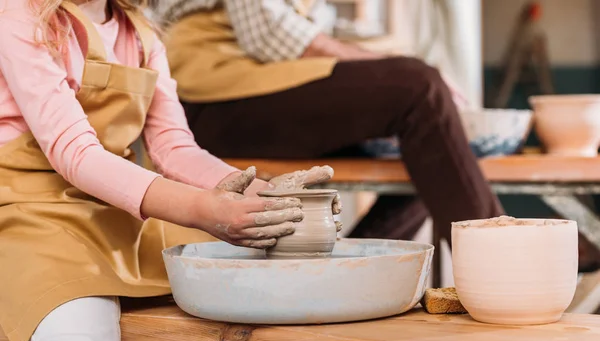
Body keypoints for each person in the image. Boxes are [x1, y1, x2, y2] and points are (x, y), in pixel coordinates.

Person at [0, 0, 339, 341]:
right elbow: (75, 154)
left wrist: (265, 194)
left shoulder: (140, 30)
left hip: (112, 214)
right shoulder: (20, 17)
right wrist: (201, 209)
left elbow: (174, 147)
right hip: (32, 219)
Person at [150, 0, 505, 243]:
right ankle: (502, 262)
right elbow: (270, 35)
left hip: (259, 87)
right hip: (212, 100)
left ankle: (361, 271)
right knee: (420, 88)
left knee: (431, 146)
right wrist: (390, 65)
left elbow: (312, 28)